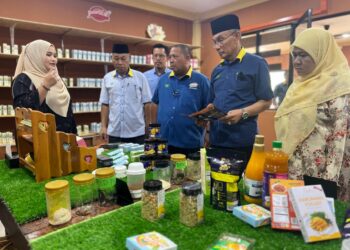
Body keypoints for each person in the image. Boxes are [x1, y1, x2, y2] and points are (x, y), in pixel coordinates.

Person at [275, 28, 350, 201]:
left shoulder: (341, 86)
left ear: (321, 54)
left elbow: (341, 138)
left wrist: (329, 184)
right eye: (295, 55)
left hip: (322, 175)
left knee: (320, 221)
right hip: (295, 168)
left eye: (303, 55)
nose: (297, 61)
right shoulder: (298, 86)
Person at [208, 14, 273, 160]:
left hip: (242, 141)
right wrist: (205, 116)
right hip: (216, 140)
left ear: (237, 35)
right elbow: (212, 102)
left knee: (242, 182)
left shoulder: (257, 63)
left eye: (221, 40)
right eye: (214, 42)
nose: (217, 47)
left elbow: (266, 101)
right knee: (217, 182)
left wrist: (243, 113)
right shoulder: (217, 70)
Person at [152, 44, 210, 155]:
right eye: (170, 57)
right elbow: (155, 103)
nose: (171, 60)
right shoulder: (163, 80)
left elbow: (210, 108)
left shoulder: (201, 80)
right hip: (164, 142)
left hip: (190, 143)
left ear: (187, 58)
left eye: (175, 56)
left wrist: (208, 133)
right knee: (163, 171)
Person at [12, 39, 77, 134]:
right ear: (36, 56)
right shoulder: (23, 79)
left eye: (55, 55)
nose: (53, 59)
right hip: (40, 142)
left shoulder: (57, 79)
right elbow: (23, 112)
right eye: (48, 54)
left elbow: (69, 114)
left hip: (66, 142)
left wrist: (75, 138)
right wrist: (45, 85)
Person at [99, 44, 152, 144]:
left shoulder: (140, 77)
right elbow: (105, 104)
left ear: (130, 58)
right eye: (116, 58)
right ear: (112, 59)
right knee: (115, 159)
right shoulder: (107, 78)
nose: (120, 62)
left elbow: (147, 103)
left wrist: (148, 126)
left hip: (137, 133)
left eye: (123, 58)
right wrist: (103, 127)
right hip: (114, 133)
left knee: (137, 159)